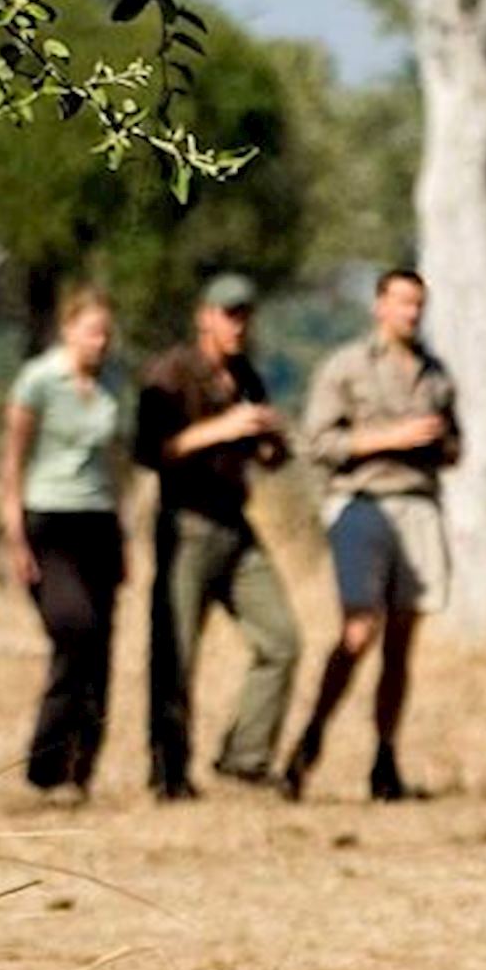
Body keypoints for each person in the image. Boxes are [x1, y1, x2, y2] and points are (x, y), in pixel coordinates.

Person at [285, 266, 459, 801]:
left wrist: (437, 442)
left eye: (419, 304)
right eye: (403, 302)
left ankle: (385, 759)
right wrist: (391, 437)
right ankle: (309, 739)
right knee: (359, 632)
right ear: (379, 305)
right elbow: (317, 442)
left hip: (419, 505)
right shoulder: (347, 367)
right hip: (361, 503)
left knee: (402, 643)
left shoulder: (436, 374)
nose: (412, 313)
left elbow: (457, 448)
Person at [133, 272, 300, 799]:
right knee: (176, 653)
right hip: (186, 523)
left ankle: (245, 756)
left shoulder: (247, 375)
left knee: (282, 640)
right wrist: (222, 429)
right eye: (230, 314)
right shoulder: (170, 373)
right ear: (204, 316)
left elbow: (269, 457)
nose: (239, 324)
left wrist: (270, 438)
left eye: (245, 314)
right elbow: (149, 450)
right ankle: (168, 772)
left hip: (235, 523)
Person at [0, 287, 128, 801]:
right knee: (75, 630)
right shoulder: (38, 381)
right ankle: (45, 761)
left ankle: (81, 769)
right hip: (49, 519)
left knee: (101, 649)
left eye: (107, 334)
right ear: (68, 329)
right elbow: (13, 460)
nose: (101, 342)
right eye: (93, 331)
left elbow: (113, 468)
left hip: (98, 520)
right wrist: (15, 535)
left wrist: (124, 534)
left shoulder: (108, 387)